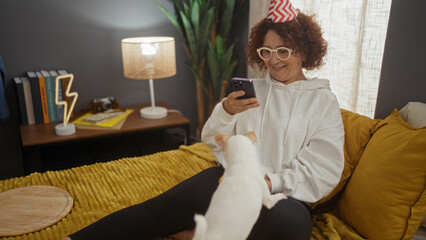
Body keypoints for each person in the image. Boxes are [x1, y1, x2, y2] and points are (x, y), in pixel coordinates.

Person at [63, 0, 344, 239]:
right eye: (266, 51)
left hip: (283, 197)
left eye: (283, 50)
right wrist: (226, 112)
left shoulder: (323, 101)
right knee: (159, 207)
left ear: (304, 51)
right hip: (230, 179)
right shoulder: (252, 90)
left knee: (292, 227)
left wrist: (270, 183)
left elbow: (323, 167)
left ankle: (196, 232)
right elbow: (212, 140)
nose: (274, 60)